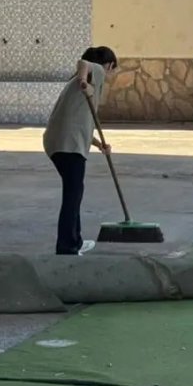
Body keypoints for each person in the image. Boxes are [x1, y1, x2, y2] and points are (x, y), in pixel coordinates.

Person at [43, 46, 119, 255]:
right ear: (109, 65)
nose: (111, 74)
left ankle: (75, 241)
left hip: (59, 143)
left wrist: (98, 144)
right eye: (113, 69)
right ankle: (67, 246)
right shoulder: (96, 72)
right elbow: (82, 64)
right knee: (73, 195)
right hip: (69, 146)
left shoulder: (75, 86)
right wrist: (84, 81)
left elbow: (78, 123)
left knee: (74, 192)